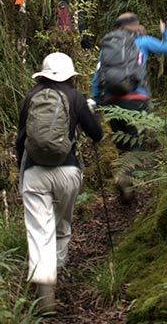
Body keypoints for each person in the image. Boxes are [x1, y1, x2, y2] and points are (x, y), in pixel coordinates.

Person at [16, 52, 103, 315]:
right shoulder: (75, 97)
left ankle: (44, 289)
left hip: (34, 172)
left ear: (43, 74)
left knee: (39, 229)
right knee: (62, 223)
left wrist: (22, 168)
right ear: (70, 75)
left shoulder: (31, 97)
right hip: (67, 171)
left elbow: (20, 140)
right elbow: (97, 134)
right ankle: (58, 269)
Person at [90, 12, 167, 202]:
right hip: (137, 99)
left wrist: (96, 100)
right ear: (136, 25)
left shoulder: (107, 47)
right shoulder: (142, 41)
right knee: (136, 142)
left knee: (122, 145)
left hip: (112, 102)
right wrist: (166, 31)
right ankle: (127, 178)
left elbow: (98, 76)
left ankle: (124, 181)